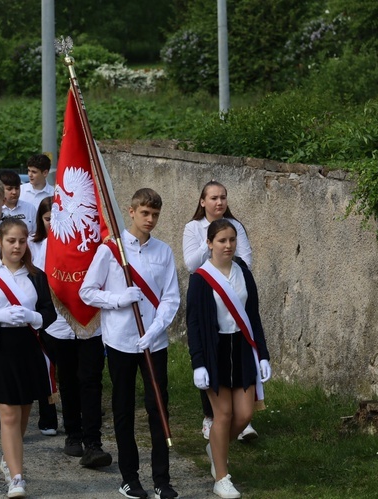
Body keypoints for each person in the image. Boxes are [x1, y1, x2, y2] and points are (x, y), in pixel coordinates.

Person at [79, 188, 180, 499]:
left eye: (155, 214)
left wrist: (156, 329)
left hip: (154, 342)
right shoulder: (110, 251)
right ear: (132, 211)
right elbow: (87, 291)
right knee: (123, 409)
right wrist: (118, 299)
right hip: (122, 340)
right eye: (145, 213)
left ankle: (162, 480)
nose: (150, 219)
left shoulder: (163, 251)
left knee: (157, 407)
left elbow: (170, 297)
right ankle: (129, 477)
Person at [0, 218, 57, 498]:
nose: (17, 246)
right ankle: (17, 478)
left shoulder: (36, 276)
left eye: (21, 240)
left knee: (24, 408)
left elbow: (49, 313)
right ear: (0, 242)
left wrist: (33, 316)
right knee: (8, 412)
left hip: (28, 346)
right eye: (11, 241)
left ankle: (9, 457)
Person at [186, 219, 271, 499]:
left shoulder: (244, 272)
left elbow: (254, 316)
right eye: (222, 240)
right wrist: (198, 362)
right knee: (222, 414)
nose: (228, 245)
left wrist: (263, 355)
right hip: (215, 350)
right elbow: (195, 324)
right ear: (209, 243)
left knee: (245, 414)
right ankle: (221, 478)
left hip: (243, 349)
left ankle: (216, 446)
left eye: (232, 240)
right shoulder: (200, 278)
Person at [29, 196, 111, 465]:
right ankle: (73, 433)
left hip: (90, 323)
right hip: (58, 325)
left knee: (90, 381)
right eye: (48, 218)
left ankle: (93, 441)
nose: (53, 222)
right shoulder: (37, 246)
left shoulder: (88, 243)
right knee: (68, 380)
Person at [182, 180, 256, 441]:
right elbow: (191, 263)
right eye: (213, 198)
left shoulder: (236, 226)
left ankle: (240, 419)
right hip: (204, 285)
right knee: (209, 346)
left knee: (234, 345)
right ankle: (210, 415)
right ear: (203, 202)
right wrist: (209, 243)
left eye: (223, 197)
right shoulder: (192, 227)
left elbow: (245, 259)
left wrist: (229, 263)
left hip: (232, 284)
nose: (219, 202)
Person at [0, 170, 36, 234]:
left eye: (17, 188)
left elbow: (35, 234)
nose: (14, 192)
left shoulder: (30, 208)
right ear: (0, 189)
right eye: (9, 189)